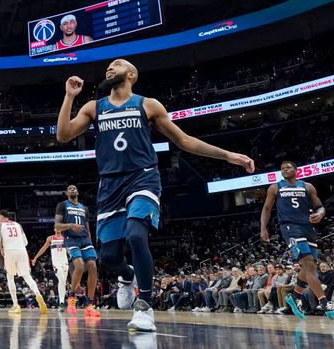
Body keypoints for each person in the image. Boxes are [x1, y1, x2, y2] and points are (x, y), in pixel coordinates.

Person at [56, 58, 254, 332]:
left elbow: (183, 140)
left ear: (132, 74)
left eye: (117, 64)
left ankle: (144, 307)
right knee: (109, 258)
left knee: (137, 235)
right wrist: (69, 97)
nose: (109, 68)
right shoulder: (94, 107)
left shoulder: (147, 105)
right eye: (108, 66)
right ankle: (128, 275)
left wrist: (228, 155)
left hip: (143, 177)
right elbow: (63, 135)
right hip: (110, 186)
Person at [260, 160, 333, 319]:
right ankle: (324, 302)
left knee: (310, 268)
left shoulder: (307, 186)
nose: (284, 170)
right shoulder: (275, 187)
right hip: (290, 228)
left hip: (308, 227)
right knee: (308, 264)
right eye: (282, 168)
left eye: (288, 167)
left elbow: (320, 206)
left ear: (296, 170)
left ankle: (294, 297)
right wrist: (263, 228)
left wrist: (320, 214)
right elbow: (266, 209)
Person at [54, 184, 100, 317]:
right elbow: (56, 226)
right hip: (71, 239)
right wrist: (71, 226)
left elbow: (87, 227)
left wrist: (90, 240)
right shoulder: (62, 205)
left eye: (74, 188)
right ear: (66, 193)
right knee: (79, 266)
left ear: (78, 192)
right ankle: (72, 297)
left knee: (92, 266)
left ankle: (90, 305)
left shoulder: (84, 208)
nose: (72, 189)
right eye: (70, 188)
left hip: (85, 240)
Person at [0, 209, 47, 315]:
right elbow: (26, 242)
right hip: (22, 251)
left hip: (9, 251)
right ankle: (38, 294)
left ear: (2, 217)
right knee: (27, 276)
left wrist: (1, 249)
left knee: (10, 277)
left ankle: (15, 305)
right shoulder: (18, 225)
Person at [32, 228, 69, 312]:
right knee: (61, 279)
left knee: (63, 282)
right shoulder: (50, 238)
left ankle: (61, 303)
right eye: (56, 227)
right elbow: (43, 249)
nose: (58, 229)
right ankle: (62, 302)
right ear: (54, 229)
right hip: (56, 262)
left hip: (65, 262)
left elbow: (70, 248)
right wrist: (35, 258)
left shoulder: (65, 238)